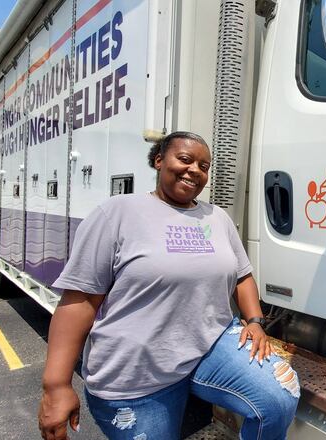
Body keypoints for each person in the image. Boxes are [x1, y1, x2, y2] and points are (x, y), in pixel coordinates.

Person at [38, 132, 299, 440]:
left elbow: (242, 276)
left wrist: (255, 321)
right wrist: (56, 385)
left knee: (279, 396)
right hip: (137, 376)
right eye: (185, 160)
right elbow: (80, 301)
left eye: (204, 166)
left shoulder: (217, 218)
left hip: (210, 347)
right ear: (159, 160)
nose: (195, 171)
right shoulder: (118, 213)